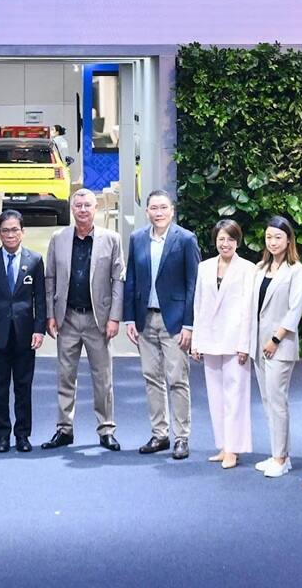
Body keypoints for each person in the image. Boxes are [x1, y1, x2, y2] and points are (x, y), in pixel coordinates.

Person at [42, 187, 124, 451]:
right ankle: (64, 429)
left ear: (96, 208)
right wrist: (50, 314)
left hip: (98, 320)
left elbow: (118, 280)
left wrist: (114, 317)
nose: (83, 210)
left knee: (103, 378)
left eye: (88, 205)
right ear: (72, 209)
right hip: (67, 318)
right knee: (65, 376)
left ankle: (106, 429)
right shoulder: (59, 238)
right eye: (78, 206)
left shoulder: (111, 239)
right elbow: (50, 278)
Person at [122, 189, 200, 459]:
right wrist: (130, 317)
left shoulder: (186, 239)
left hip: (175, 321)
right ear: (147, 212)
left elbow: (193, 285)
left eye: (163, 207)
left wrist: (189, 324)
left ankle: (182, 437)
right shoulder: (137, 238)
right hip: (145, 319)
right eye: (154, 208)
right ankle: (160, 434)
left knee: (177, 379)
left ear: (172, 210)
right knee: (151, 378)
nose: (159, 213)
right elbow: (131, 279)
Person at [0, 209, 46, 453]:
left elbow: (40, 298)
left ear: (23, 232)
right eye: (5, 230)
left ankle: (23, 435)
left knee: (23, 387)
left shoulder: (35, 260)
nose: (10, 234)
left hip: (25, 334)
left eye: (15, 229)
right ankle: (2, 435)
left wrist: (39, 329)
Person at [191, 219, 257, 469]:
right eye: (221, 239)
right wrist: (196, 341)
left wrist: (244, 344)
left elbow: (248, 309)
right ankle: (223, 445)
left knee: (235, 396)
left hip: (235, 340)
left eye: (230, 239)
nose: (225, 244)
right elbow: (198, 305)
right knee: (215, 396)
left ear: (237, 242)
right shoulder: (204, 267)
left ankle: (234, 448)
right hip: (209, 339)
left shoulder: (248, 269)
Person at [251, 216, 302, 478]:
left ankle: (281, 458)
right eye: (269, 237)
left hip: (279, 345)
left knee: (278, 401)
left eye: (278, 237)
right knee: (267, 400)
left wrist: (275, 340)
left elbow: (295, 310)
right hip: (258, 344)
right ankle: (278, 453)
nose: (272, 242)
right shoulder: (260, 267)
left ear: (288, 240)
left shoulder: (296, 270)